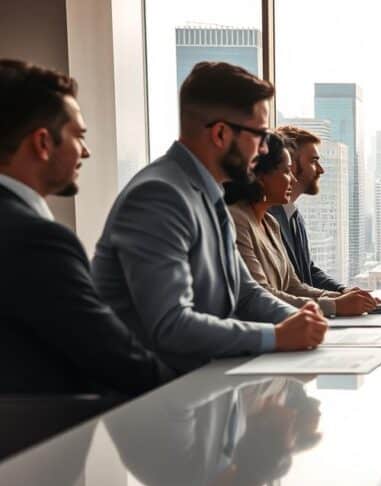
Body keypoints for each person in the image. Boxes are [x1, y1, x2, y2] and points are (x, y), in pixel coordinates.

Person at [92, 62, 327, 375]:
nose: (264, 148)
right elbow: (172, 324)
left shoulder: (210, 195)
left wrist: (302, 322)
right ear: (220, 133)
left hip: (205, 385)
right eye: (259, 134)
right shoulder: (159, 196)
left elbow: (245, 292)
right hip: (157, 399)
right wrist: (276, 336)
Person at [0, 59, 171, 396]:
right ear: (43, 143)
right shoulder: (37, 241)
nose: (87, 151)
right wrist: (193, 395)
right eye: (78, 136)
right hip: (49, 440)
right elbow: (117, 359)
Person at [226, 132, 379, 316]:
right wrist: (335, 305)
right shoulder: (237, 221)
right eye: (285, 171)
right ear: (260, 176)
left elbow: (293, 285)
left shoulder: (270, 222)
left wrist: (343, 297)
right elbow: (261, 295)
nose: (293, 178)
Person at [270, 125, 358, 294]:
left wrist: (344, 291)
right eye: (313, 161)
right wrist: (335, 303)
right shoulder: (268, 217)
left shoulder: (294, 216)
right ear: (291, 166)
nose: (321, 170)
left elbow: (308, 271)